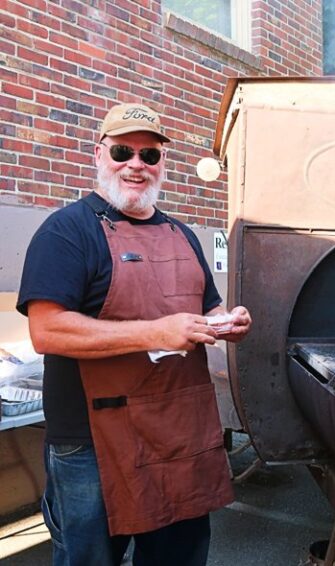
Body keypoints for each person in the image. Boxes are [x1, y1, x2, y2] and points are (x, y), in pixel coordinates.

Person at [16, 102, 252, 566]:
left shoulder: (183, 235)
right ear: (99, 155)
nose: (136, 166)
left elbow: (208, 308)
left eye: (150, 155)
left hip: (179, 434)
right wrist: (156, 334)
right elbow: (46, 330)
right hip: (91, 443)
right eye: (123, 151)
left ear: (163, 163)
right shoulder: (66, 232)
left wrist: (230, 323)